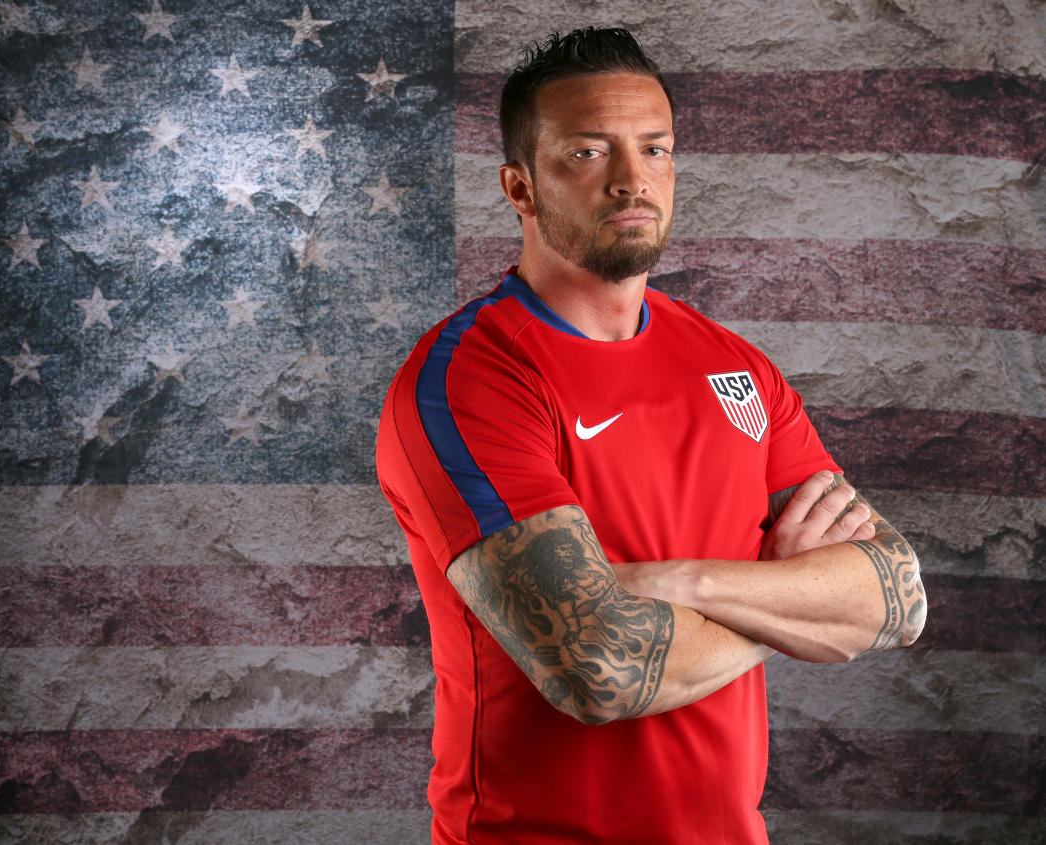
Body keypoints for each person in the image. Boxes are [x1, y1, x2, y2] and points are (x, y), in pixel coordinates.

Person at [376, 27, 926, 845]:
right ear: (520, 188)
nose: (633, 181)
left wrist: (690, 583)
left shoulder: (735, 367)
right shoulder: (469, 381)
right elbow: (600, 667)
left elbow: (894, 595)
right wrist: (790, 597)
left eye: (656, 149)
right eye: (590, 153)